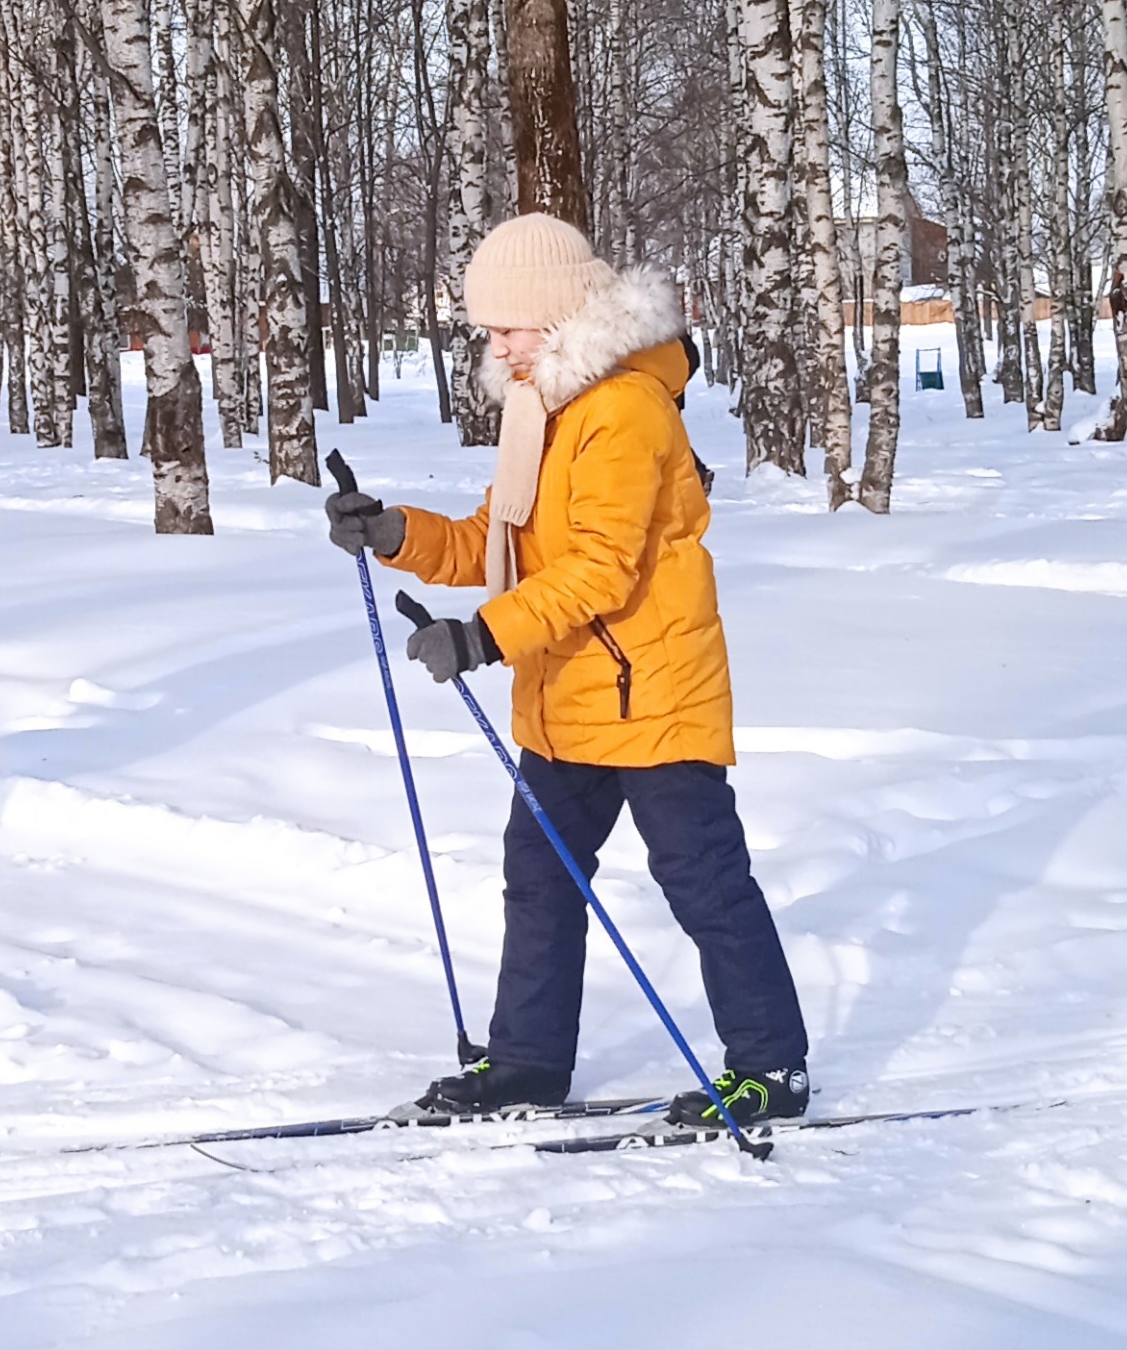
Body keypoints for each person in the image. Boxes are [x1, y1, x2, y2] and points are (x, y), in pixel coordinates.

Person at [325, 212, 811, 1132]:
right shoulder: (541, 409)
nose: (494, 343)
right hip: (570, 693)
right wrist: (394, 532)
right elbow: (496, 542)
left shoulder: (622, 409)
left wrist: (481, 639)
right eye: (490, 327)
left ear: (555, 316)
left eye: (507, 325)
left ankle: (771, 1067)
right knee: (541, 874)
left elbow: (599, 568)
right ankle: (527, 1064)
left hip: (654, 689)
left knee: (702, 875)